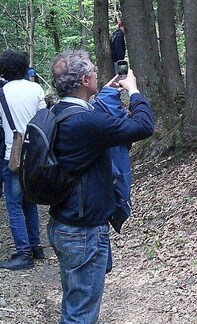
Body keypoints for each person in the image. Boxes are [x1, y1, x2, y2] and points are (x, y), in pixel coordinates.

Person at [47, 50, 153, 323]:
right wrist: (134, 91)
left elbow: (97, 120)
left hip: (64, 222)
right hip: (83, 232)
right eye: (93, 72)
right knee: (81, 314)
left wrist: (106, 92)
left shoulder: (58, 112)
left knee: (74, 303)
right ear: (84, 80)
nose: (96, 74)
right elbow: (142, 126)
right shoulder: (87, 121)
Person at [0, 50, 46, 270]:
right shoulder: (36, 89)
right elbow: (44, 119)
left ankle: (23, 253)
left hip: (13, 155)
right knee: (29, 201)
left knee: (14, 204)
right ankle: (35, 245)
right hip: (36, 154)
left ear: (2, 70)